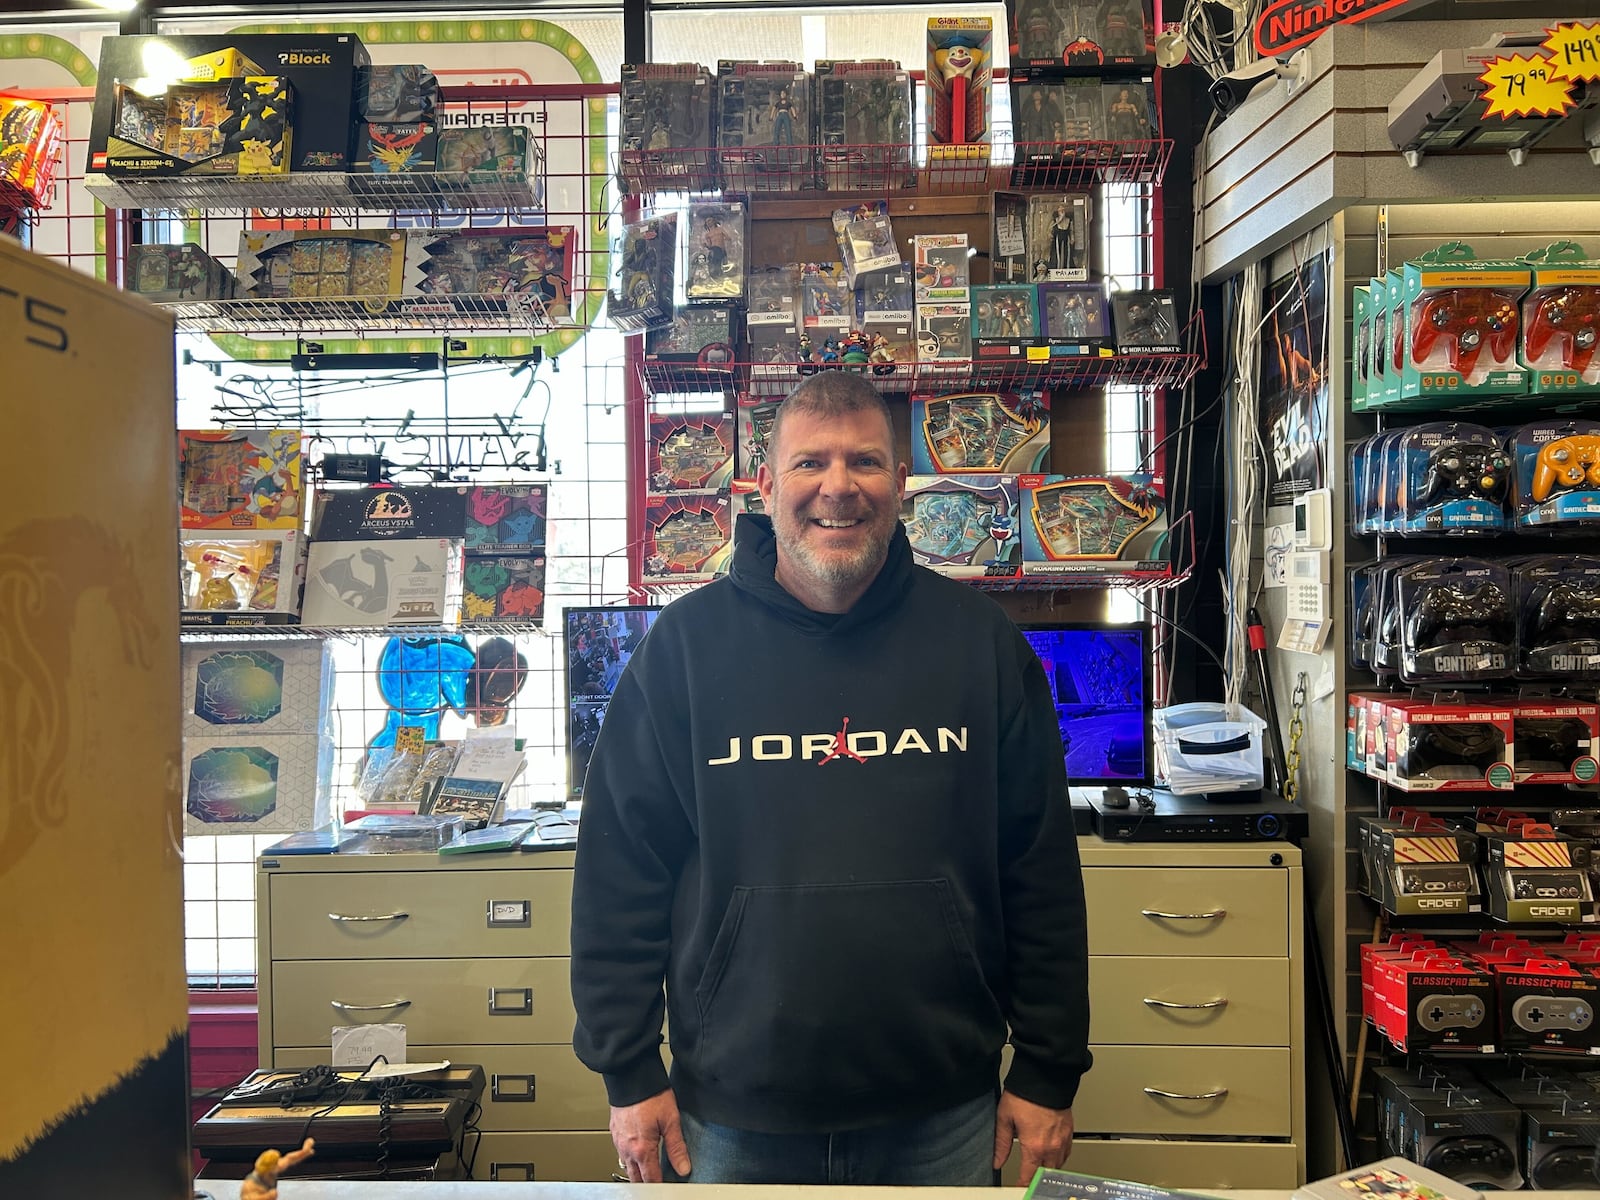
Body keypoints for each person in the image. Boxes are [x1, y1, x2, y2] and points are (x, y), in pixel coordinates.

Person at [569, 371, 1091, 1187]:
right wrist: (628, 1070)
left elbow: (1041, 872)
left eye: (866, 463)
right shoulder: (683, 652)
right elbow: (619, 876)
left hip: (943, 1111)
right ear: (768, 485)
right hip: (733, 1114)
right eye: (811, 462)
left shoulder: (980, 647)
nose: (838, 488)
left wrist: (1049, 1067)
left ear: (902, 484)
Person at [239, 1137, 315, 1200]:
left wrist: (304, 1151)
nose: (279, 1164)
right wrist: (267, 1196)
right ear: (270, 1169)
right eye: (276, 1163)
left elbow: (289, 1158)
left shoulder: (273, 1168)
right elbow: (247, 1198)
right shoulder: (251, 1184)